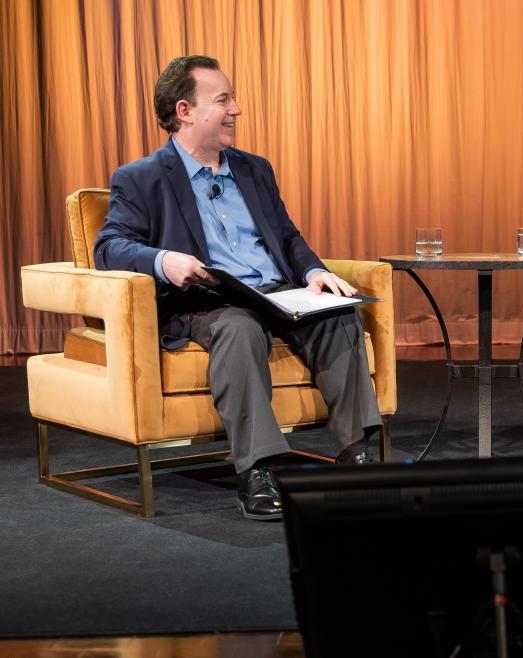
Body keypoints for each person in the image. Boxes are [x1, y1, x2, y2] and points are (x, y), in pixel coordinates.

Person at [94, 55, 382, 521]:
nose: (237, 109)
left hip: (277, 291)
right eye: (223, 100)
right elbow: (108, 248)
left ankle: (358, 456)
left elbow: (286, 236)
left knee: (338, 312)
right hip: (211, 302)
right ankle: (260, 469)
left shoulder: (254, 170)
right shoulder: (141, 178)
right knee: (239, 328)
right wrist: (164, 261)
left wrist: (313, 272)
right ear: (185, 111)